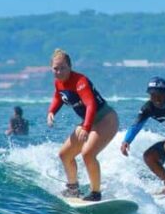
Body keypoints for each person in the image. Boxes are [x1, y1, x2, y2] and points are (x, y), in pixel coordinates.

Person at [47, 48, 119, 202]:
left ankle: (96, 193)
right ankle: (73, 189)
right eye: (55, 68)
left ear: (70, 67)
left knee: (88, 154)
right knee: (65, 155)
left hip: (106, 119)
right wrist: (51, 111)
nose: (59, 72)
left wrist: (86, 127)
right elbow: (58, 97)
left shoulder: (80, 81)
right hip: (89, 121)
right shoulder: (58, 83)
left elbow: (90, 104)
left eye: (63, 68)